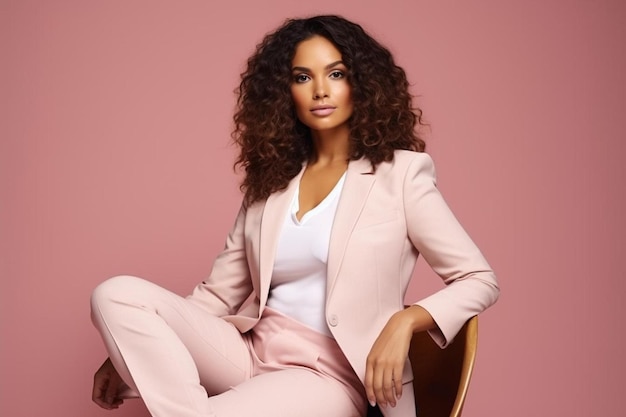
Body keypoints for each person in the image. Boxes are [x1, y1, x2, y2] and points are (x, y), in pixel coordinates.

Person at [90, 14, 499, 417]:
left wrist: (405, 321)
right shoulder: (271, 183)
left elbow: (478, 279)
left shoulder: (402, 174)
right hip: (247, 352)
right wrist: (129, 348)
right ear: (285, 93)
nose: (321, 90)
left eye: (336, 74)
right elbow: (217, 295)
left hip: (329, 375)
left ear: (362, 83)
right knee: (115, 294)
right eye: (303, 77)